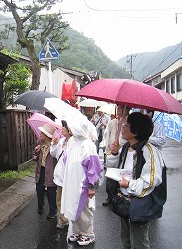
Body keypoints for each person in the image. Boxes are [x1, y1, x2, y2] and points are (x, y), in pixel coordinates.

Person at [107, 112, 165, 249]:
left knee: (139, 242)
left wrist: (130, 184)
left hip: (140, 203)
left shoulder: (149, 151)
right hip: (125, 200)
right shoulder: (127, 147)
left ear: (135, 131)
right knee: (125, 237)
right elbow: (115, 168)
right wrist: (114, 153)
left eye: (126, 125)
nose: (122, 127)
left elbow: (152, 179)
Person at [62, 115, 102, 246]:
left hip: (83, 183)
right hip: (72, 182)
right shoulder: (72, 141)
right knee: (72, 205)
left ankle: (88, 233)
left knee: (84, 209)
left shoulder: (88, 144)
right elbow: (66, 159)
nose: (71, 129)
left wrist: (91, 186)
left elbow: (94, 167)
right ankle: (77, 231)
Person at [102, 105, 131, 206]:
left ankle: (118, 196)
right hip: (112, 151)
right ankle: (110, 197)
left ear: (126, 110)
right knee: (110, 175)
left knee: (120, 175)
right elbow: (107, 135)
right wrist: (108, 149)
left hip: (122, 152)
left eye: (120, 108)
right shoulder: (112, 122)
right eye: (117, 107)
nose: (118, 109)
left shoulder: (128, 123)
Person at [50, 120, 73, 229]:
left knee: (68, 200)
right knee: (59, 199)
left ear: (70, 130)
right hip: (60, 176)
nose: (62, 128)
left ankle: (68, 219)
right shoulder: (62, 141)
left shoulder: (74, 143)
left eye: (64, 126)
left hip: (69, 177)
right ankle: (63, 219)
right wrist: (54, 144)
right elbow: (54, 154)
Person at [33, 123, 58, 219]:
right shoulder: (40, 144)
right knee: (39, 189)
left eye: (42, 132)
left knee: (51, 191)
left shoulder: (54, 146)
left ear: (47, 135)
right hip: (41, 170)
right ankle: (40, 206)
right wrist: (36, 151)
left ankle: (53, 211)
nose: (40, 133)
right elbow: (34, 159)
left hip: (51, 171)